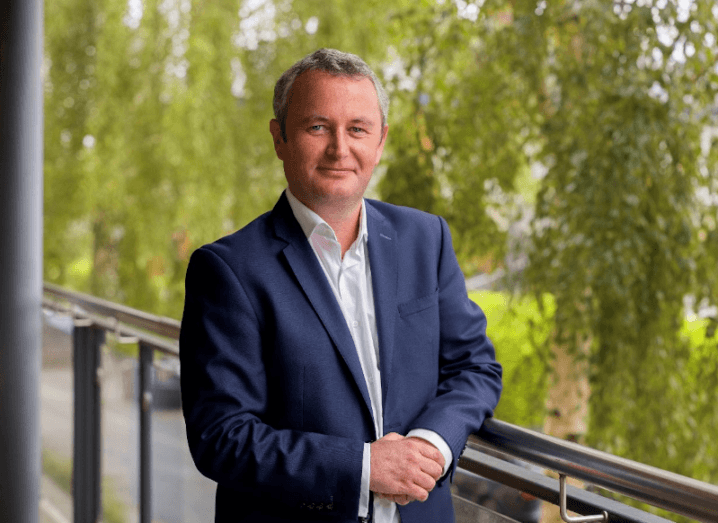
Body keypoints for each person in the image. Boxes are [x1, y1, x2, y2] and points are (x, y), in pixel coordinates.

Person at [179, 48, 502, 523]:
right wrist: (366, 467)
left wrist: (430, 444)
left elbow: (474, 366)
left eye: (357, 129)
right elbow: (221, 436)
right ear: (279, 137)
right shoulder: (227, 269)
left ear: (380, 141)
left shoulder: (425, 239)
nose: (339, 148)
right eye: (317, 127)